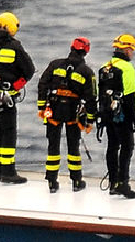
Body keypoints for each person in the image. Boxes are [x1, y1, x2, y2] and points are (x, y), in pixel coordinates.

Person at [0, 12, 36, 184]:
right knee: (8, 132)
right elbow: (29, 70)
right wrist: (16, 85)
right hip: (6, 96)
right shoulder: (14, 46)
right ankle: (8, 172)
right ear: (11, 27)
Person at [37, 37, 98, 193]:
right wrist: (90, 119)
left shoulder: (55, 64)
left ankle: (51, 182)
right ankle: (76, 181)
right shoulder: (86, 71)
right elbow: (91, 97)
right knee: (73, 148)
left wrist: (42, 107)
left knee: (53, 147)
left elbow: (43, 83)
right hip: (73, 112)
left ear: (71, 48)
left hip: (54, 109)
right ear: (86, 51)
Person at [97, 33, 135, 199]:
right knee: (127, 146)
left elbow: (100, 93)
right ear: (127, 49)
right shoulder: (127, 68)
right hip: (122, 116)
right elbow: (129, 97)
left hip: (107, 115)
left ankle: (113, 183)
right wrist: (134, 118)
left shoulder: (105, 66)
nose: (133, 53)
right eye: (132, 49)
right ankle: (124, 183)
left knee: (112, 147)